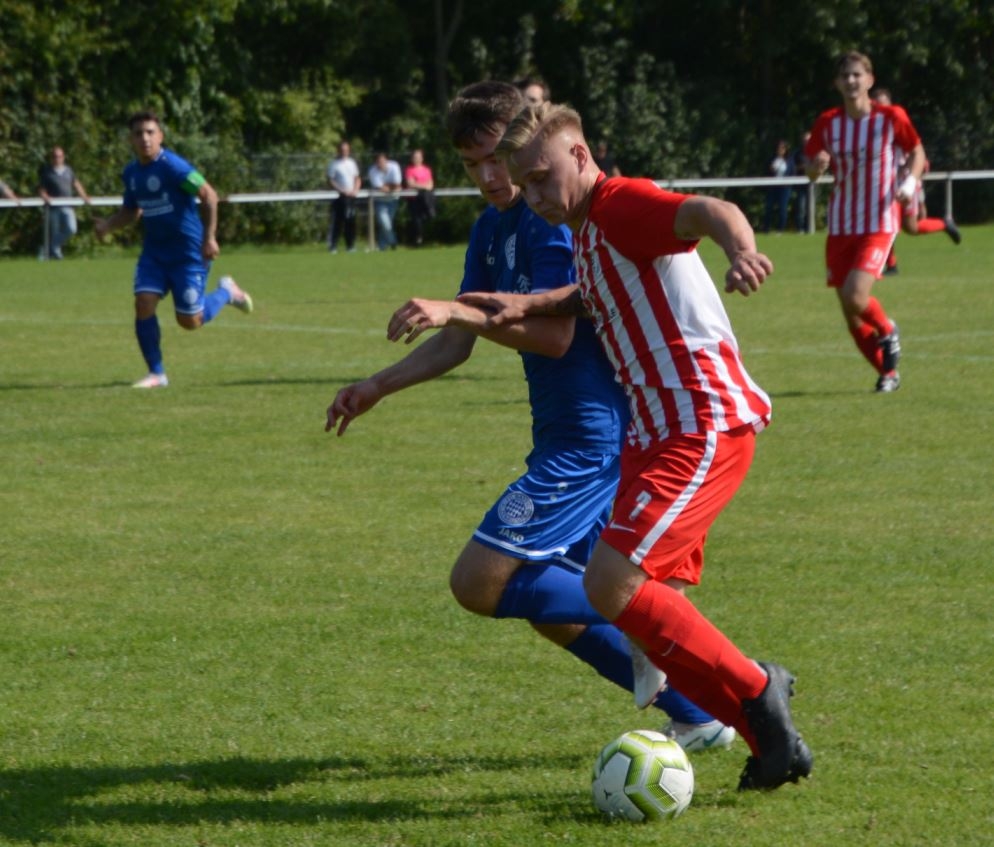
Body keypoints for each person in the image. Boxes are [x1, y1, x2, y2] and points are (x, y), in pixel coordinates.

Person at [326, 81, 735, 753]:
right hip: (565, 440)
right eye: (472, 164)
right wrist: (378, 385)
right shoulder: (490, 229)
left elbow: (555, 336)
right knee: (553, 613)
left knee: (480, 581)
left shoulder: (549, 220)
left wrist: (461, 311)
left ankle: (668, 630)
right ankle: (703, 712)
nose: (490, 177)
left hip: (593, 444)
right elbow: (457, 340)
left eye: (496, 157)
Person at [460, 101, 814, 792]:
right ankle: (770, 743)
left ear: (581, 156)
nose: (533, 195)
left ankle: (757, 687)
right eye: (524, 184)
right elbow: (594, 291)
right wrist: (528, 303)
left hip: (699, 422)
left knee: (611, 584)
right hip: (654, 434)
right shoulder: (590, 230)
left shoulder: (619, 203)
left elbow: (707, 211)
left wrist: (741, 249)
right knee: (638, 602)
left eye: (542, 177)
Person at [93, 109, 253, 389]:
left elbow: (209, 195)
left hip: (189, 254)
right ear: (130, 139)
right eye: (138, 133)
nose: (145, 138)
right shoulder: (131, 173)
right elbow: (131, 211)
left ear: (160, 136)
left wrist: (209, 237)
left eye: (150, 132)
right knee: (143, 302)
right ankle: (157, 373)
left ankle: (227, 292)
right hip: (154, 255)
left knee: (190, 321)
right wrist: (107, 226)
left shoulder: (173, 167)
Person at [804, 52, 926, 393]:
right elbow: (810, 171)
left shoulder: (891, 117)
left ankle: (887, 329)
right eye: (845, 76)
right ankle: (888, 373)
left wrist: (909, 184)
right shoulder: (828, 122)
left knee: (856, 296)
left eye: (857, 75)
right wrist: (817, 166)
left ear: (870, 80)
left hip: (879, 221)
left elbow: (917, 152)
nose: (851, 81)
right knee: (850, 312)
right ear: (836, 83)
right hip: (841, 225)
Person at [872, 88, 961, 275]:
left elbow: (918, 155)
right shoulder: (870, 128)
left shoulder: (898, 124)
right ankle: (891, 265)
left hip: (904, 183)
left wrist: (917, 191)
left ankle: (944, 224)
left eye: (884, 104)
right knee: (882, 223)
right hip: (884, 184)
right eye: (877, 105)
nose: (881, 108)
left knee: (911, 227)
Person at [38, 146, 92, 260]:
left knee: (71, 229)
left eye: (59, 156)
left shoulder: (69, 170)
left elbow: (76, 184)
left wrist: (84, 196)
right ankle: (56, 254)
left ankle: (50, 247)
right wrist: (45, 196)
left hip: (68, 206)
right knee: (55, 231)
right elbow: (42, 189)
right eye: (54, 156)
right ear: (51, 158)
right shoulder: (47, 172)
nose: (57, 159)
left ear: (63, 157)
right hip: (53, 207)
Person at [327, 140, 361, 253]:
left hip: (351, 196)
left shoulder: (352, 163)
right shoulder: (333, 164)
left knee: (350, 221)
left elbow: (357, 178)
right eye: (342, 150)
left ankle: (350, 245)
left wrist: (355, 190)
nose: (344, 152)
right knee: (338, 222)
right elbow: (331, 181)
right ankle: (333, 246)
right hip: (340, 197)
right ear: (338, 151)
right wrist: (342, 190)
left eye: (346, 150)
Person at [367, 152, 403, 251]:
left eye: (382, 161)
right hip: (380, 201)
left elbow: (397, 184)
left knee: (387, 224)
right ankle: (393, 242)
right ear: (376, 162)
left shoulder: (394, 166)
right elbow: (380, 188)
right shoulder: (372, 171)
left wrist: (388, 186)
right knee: (385, 223)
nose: (381, 164)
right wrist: (391, 186)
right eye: (378, 162)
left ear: (387, 160)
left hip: (393, 199)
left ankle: (382, 247)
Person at [403, 148, 435, 246]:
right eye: (415, 157)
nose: (417, 159)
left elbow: (430, 184)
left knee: (426, 219)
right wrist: (424, 186)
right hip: (414, 199)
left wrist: (421, 185)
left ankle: (426, 238)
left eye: (418, 157)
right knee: (416, 220)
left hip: (426, 199)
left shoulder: (427, 169)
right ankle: (418, 239)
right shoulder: (409, 170)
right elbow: (411, 183)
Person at [762, 140, 791, 234]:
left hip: (784, 188)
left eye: (782, 148)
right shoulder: (771, 159)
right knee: (769, 207)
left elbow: (792, 172)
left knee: (782, 209)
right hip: (773, 187)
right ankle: (766, 229)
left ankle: (780, 230)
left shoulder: (789, 160)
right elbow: (766, 172)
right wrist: (770, 170)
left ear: (785, 149)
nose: (780, 150)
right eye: (778, 148)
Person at [791, 133, 811, 233]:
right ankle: (800, 229)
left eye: (808, 140)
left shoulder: (814, 152)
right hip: (800, 184)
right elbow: (793, 167)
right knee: (801, 207)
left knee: (810, 208)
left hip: (811, 185)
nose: (806, 142)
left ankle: (809, 228)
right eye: (805, 140)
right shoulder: (797, 153)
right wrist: (803, 167)